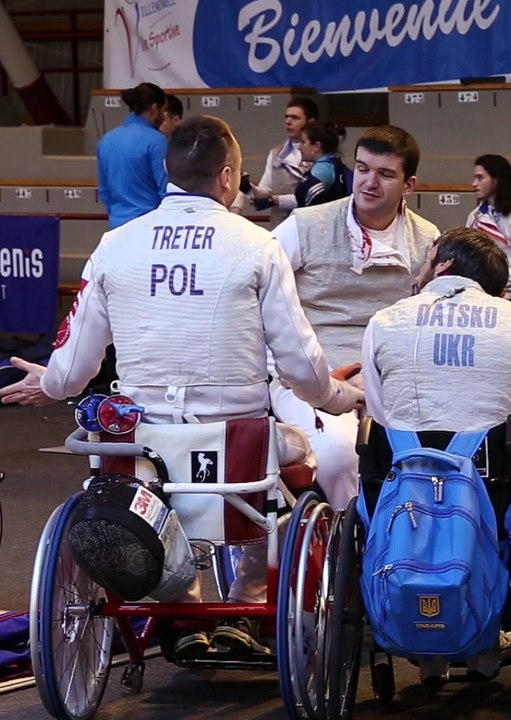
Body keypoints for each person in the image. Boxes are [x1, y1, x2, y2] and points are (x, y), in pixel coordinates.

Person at [0, 115, 363, 654]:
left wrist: (50, 384)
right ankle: (245, 601)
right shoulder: (258, 246)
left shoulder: (114, 245)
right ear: (227, 176)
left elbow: (72, 369)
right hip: (235, 452)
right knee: (298, 465)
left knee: (151, 465)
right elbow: (300, 367)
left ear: (168, 171)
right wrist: (339, 398)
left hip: (141, 449)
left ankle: (185, 606)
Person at [270, 125, 439, 512]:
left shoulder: (428, 238)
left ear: (409, 185)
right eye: (363, 169)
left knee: (433, 449)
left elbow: (429, 320)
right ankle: (354, 534)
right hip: (314, 375)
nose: (369, 182)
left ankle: (411, 533)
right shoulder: (305, 225)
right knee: (339, 453)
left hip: (393, 376)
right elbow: (256, 289)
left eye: (385, 174)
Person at [362, 226, 511, 491]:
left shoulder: (383, 321)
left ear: (444, 265)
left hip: (406, 484)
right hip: (497, 488)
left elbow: (380, 420)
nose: (419, 272)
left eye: (427, 260)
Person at [465, 154, 511, 300]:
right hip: (476, 291)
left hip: (509, 295)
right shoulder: (474, 216)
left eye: (480, 178)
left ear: (497, 179)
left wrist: (492, 281)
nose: (474, 184)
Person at [234, 96, 319, 223]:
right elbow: (264, 190)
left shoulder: (319, 155)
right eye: (286, 117)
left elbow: (311, 198)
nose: (288, 122)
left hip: (309, 224)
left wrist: (274, 200)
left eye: (295, 118)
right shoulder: (276, 153)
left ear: (310, 122)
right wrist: (247, 188)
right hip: (280, 225)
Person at [96, 82, 168, 228]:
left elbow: (104, 191)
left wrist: (117, 215)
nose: (164, 117)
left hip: (117, 224)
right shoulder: (157, 141)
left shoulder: (106, 140)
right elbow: (166, 189)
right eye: (163, 111)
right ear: (155, 108)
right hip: (150, 226)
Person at [294, 120, 350, 208]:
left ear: (316, 146)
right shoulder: (334, 164)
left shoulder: (322, 170)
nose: (299, 147)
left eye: (303, 142)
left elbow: (306, 201)